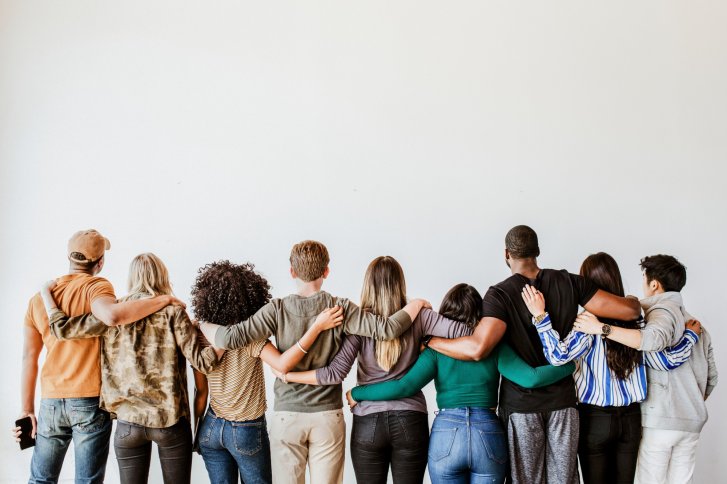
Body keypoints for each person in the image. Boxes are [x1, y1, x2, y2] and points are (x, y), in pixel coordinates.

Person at [197, 241, 431, 484]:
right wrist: (415, 304)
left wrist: (201, 323)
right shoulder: (340, 308)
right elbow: (388, 329)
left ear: (292, 271)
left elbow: (229, 338)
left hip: (287, 415)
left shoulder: (275, 310)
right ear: (326, 271)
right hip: (327, 416)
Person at [425, 226, 641, 484]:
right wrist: (634, 300)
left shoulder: (500, 294)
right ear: (537, 252)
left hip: (522, 408)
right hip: (563, 404)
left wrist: (432, 341)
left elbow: (477, 349)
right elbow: (629, 312)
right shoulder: (571, 282)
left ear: (506, 254)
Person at [346, 283, 576, 484]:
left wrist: (358, 393)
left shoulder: (436, 350)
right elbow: (531, 378)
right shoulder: (492, 347)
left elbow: (402, 387)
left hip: (447, 435)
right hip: (488, 433)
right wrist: (570, 365)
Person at [274, 256, 474, 484]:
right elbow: (466, 332)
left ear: (368, 284)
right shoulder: (420, 316)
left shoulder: (360, 323)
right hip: (410, 420)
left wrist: (289, 375)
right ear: (400, 283)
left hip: (368, 423)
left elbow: (334, 373)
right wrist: (429, 341)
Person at [11, 230, 181, 484]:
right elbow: (113, 315)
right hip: (89, 400)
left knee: (40, 479)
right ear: (99, 262)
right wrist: (164, 299)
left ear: (69, 257)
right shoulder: (96, 287)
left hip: (50, 401)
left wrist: (27, 410)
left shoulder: (38, 300)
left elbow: (28, 358)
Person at [37, 253, 222, 484]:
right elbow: (204, 363)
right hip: (170, 422)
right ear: (162, 276)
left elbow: (62, 329)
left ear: (132, 278)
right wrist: (223, 340)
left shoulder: (113, 312)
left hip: (127, 424)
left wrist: (46, 294)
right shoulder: (174, 312)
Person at [520, 252, 701, 484]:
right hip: (631, 420)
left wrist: (540, 316)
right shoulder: (637, 321)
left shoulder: (586, 322)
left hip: (595, 419)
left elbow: (558, 356)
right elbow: (664, 361)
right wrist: (689, 337)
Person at [190, 260, 344, 484]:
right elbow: (282, 364)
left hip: (211, 427)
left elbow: (200, 392)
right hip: (246, 429)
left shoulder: (200, 337)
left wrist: (197, 433)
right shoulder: (253, 339)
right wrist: (316, 328)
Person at [573, 254, 718, 484]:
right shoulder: (654, 321)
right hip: (676, 422)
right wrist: (691, 401)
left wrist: (601, 328)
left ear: (654, 284)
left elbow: (655, 349)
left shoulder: (652, 317)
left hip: (649, 420)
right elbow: (712, 378)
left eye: (644, 278)